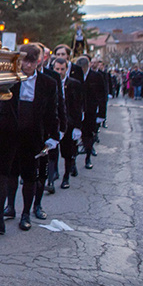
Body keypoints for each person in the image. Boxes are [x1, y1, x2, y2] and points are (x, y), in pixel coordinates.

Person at [0, 44, 58, 234]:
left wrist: (53, 136)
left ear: (38, 61)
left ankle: (26, 215)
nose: (26, 65)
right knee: (1, 173)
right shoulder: (9, 78)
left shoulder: (48, 84)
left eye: (30, 61)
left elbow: (51, 112)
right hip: (7, 132)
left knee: (30, 175)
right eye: (23, 60)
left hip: (32, 134)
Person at [52, 58, 84, 189]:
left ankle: (66, 176)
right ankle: (52, 175)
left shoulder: (74, 84)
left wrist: (77, 126)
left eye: (62, 69)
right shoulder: (50, 82)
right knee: (52, 151)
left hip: (69, 122)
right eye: (57, 69)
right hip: (54, 121)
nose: (60, 72)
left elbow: (78, 106)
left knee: (67, 151)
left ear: (67, 69)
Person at [75, 56, 107, 170]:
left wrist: (102, 114)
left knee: (88, 135)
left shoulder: (96, 76)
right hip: (77, 111)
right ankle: (72, 162)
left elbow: (102, 96)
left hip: (90, 111)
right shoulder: (75, 75)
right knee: (74, 137)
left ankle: (88, 157)